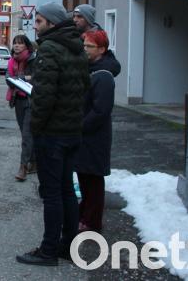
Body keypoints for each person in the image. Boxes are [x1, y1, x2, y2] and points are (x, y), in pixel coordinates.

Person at [16, 2, 90, 267]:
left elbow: (44, 98)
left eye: (39, 22)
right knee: (67, 190)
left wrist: (34, 129)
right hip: (72, 131)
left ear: (52, 23)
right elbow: (82, 89)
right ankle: (68, 245)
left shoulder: (49, 49)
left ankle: (48, 251)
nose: (35, 27)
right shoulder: (78, 48)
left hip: (52, 133)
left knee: (51, 194)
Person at [75, 30, 120, 233]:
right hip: (85, 134)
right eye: (84, 45)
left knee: (93, 180)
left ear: (102, 49)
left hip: (95, 137)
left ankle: (92, 222)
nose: (85, 49)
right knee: (85, 178)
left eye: (89, 46)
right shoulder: (91, 68)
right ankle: (84, 214)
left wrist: (80, 126)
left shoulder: (103, 75)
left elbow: (101, 110)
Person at [5, 34, 37, 182]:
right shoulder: (12, 60)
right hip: (17, 99)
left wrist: (22, 78)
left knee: (26, 135)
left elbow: (36, 77)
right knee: (25, 134)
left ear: (26, 46)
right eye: (15, 43)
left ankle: (23, 167)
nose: (17, 46)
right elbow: (8, 77)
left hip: (31, 101)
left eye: (20, 43)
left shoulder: (33, 59)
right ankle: (34, 162)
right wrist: (20, 78)